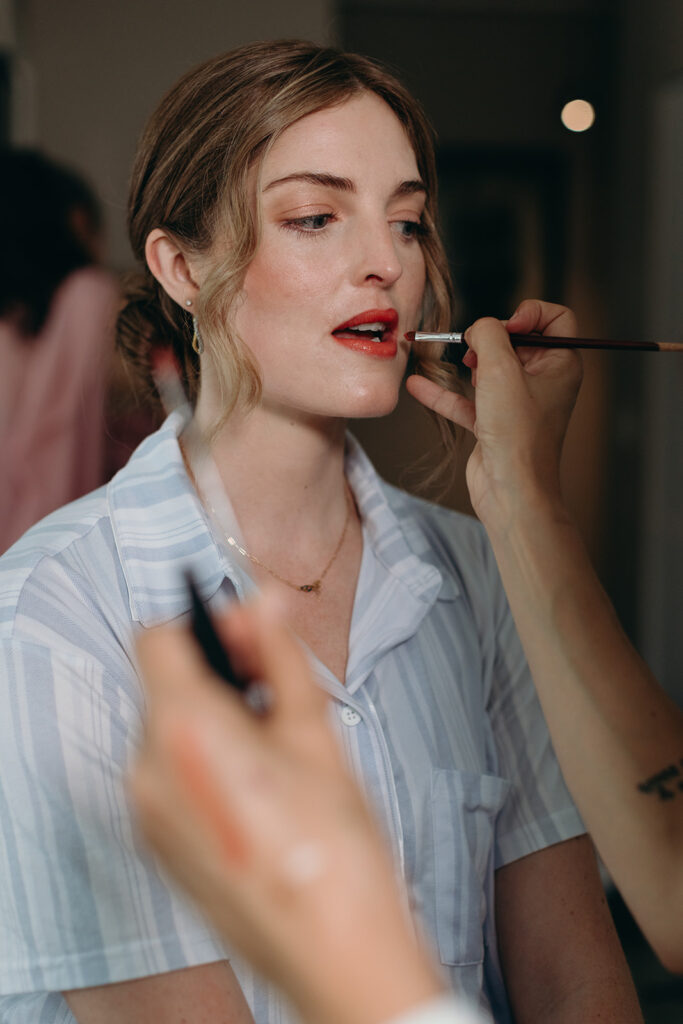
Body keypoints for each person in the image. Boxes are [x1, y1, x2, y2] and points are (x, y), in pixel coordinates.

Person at [0, 42, 642, 1024]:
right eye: (314, 217)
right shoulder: (53, 616)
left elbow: (578, 989)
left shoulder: (475, 570)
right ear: (180, 266)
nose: (387, 261)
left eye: (408, 220)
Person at [0, 149, 120, 553]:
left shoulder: (18, 323)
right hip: (41, 549)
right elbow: (56, 448)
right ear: (77, 220)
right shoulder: (87, 298)